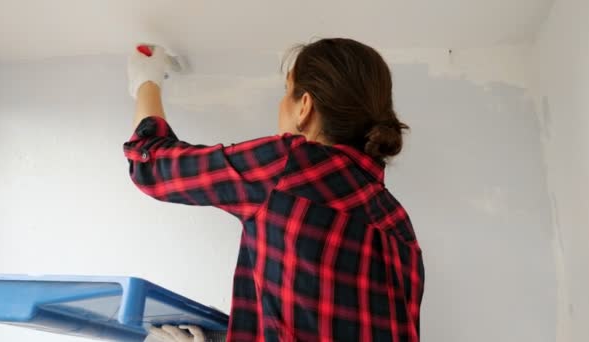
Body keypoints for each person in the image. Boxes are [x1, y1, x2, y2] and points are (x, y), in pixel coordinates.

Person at [126, 38, 425, 342]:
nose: (281, 104)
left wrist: (145, 81)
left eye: (286, 92)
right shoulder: (399, 225)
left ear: (304, 107)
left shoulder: (289, 166)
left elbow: (150, 165)